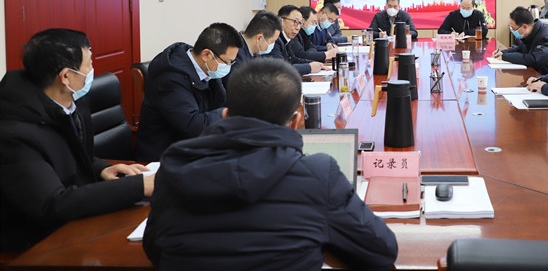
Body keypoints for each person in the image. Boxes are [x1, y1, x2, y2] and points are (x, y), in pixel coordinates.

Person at [143, 58, 398, 270]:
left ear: (225, 115)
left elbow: (155, 249)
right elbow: (381, 250)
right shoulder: (318, 174)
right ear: (296, 121)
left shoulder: (175, 165)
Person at [0, 29, 153, 251]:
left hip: (76, 216)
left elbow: (72, 152)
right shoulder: (14, 133)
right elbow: (53, 205)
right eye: (88, 64)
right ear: (66, 77)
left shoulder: (71, 101)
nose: (92, 71)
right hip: (35, 242)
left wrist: (101, 168)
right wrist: (141, 186)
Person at [135, 22, 243, 162]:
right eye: (227, 62)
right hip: (164, 156)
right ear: (206, 55)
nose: (228, 67)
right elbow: (193, 126)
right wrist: (227, 113)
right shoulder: (170, 79)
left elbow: (222, 102)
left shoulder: (207, 69)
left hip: (194, 145)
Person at [492, 6, 548, 74]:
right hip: (533, 72)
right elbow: (520, 49)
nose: (513, 31)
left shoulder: (546, 37)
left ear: (525, 26)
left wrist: (504, 57)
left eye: (514, 29)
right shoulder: (531, 32)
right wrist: (502, 53)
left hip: (547, 75)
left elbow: (534, 60)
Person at [273, 4, 325, 75]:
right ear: (281, 21)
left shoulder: (288, 39)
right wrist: (309, 67)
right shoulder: (274, 40)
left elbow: (293, 60)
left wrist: (314, 63)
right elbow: (281, 69)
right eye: (295, 22)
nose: (298, 28)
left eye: (300, 23)